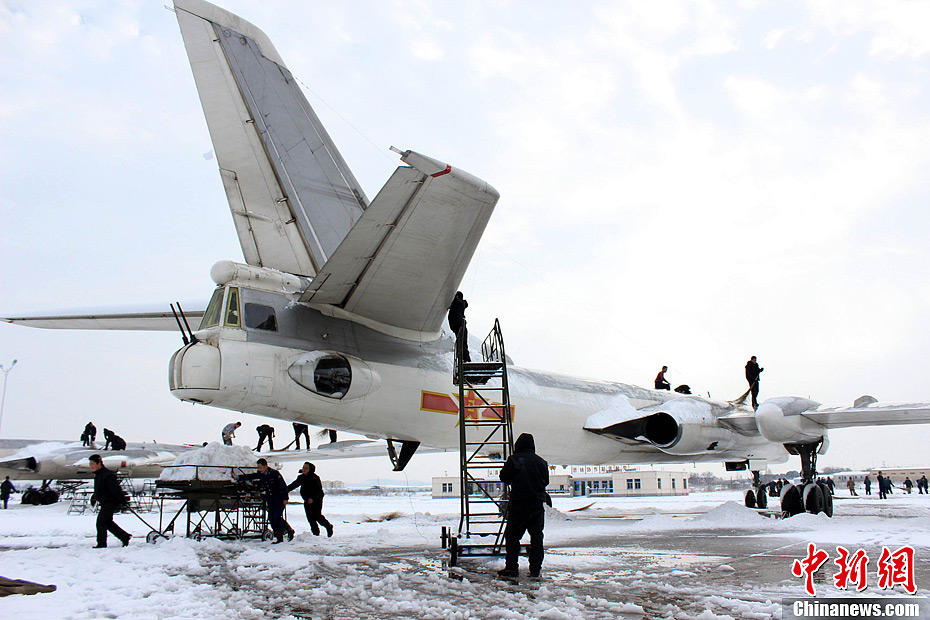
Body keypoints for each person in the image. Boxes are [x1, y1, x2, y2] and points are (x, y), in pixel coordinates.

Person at [498, 433, 549, 580]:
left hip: (519, 505)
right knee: (537, 537)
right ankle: (535, 569)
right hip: (537, 506)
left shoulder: (514, 460)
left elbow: (504, 477)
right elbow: (545, 481)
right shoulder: (542, 462)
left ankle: (512, 568)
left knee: (512, 536)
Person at [239, 458, 294, 543]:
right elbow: (252, 476)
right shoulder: (261, 474)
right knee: (271, 518)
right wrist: (239, 477)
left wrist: (285, 498)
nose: (259, 469)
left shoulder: (274, 474)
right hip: (271, 500)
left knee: (276, 517)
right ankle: (279, 537)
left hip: (279, 499)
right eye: (258, 468)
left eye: (260, 467)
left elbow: (283, 486)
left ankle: (288, 530)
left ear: (265, 466)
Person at [88, 454, 131, 548]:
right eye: (90, 464)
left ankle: (101, 543)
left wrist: (122, 501)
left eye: (92, 463)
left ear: (99, 463)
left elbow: (115, 489)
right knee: (107, 523)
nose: (91, 466)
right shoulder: (99, 474)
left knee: (101, 522)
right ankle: (124, 536)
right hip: (104, 502)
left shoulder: (108, 475)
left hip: (110, 502)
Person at [287, 462, 334, 537]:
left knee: (317, 516)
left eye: (306, 468)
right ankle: (315, 533)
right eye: (303, 467)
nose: (304, 469)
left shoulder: (315, 478)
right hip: (307, 500)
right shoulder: (301, 477)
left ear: (310, 469)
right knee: (310, 518)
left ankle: (328, 526)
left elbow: (319, 492)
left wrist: (313, 498)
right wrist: (285, 490)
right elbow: (293, 485)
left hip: (316, 500)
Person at [448, 291, 470, 363]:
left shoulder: (459, 302)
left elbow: (455, 300)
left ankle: (465, 360)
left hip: (459, 324)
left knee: (462, 342)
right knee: (462, 342)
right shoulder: (460, 304)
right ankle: (464, 359)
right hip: (459, 324)